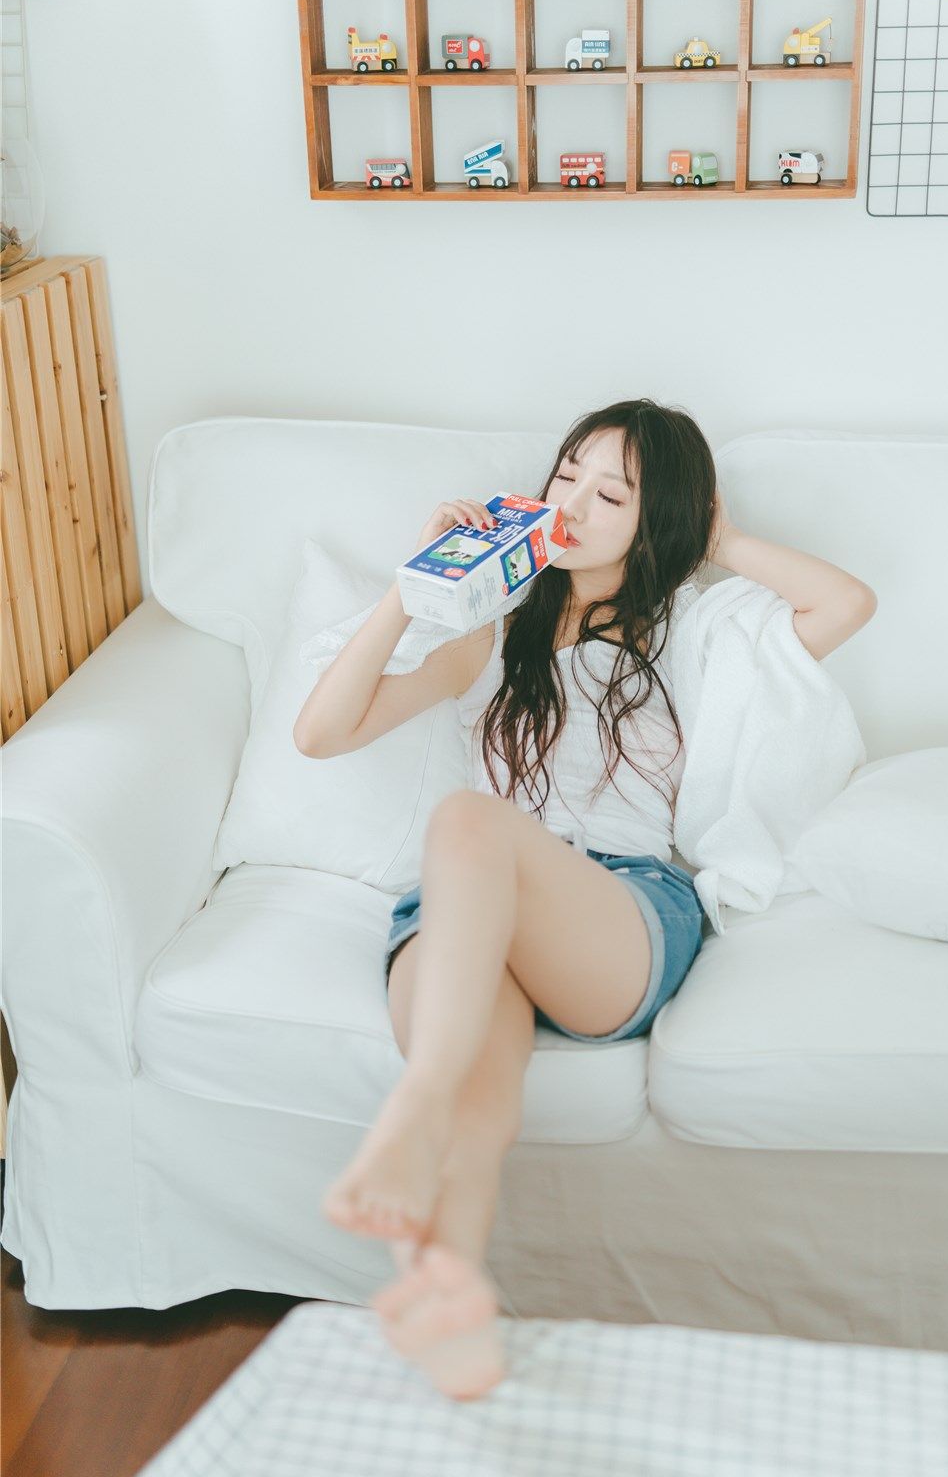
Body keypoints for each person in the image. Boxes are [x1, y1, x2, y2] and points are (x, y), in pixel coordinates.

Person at [293, 397, 877, 1403]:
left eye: (612, 495)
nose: (571, 503)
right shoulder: (488, 632)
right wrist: (418, 584)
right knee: (474, 1069)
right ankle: (451, 1301)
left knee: (466, 821)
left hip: (616, 913)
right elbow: (321, 734)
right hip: (467, 919)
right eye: (566, 475)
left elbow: (845, 605)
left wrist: (719, 541)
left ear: (658, 523)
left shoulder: (693, 629)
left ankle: (408, 1114)